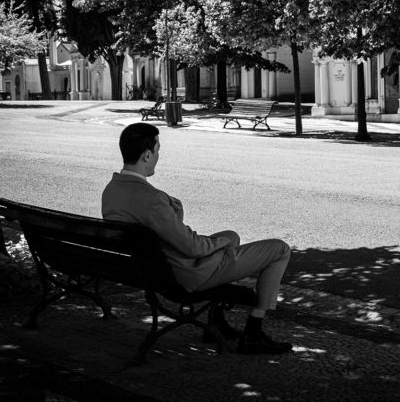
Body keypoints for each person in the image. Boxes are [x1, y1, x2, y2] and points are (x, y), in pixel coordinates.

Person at [102, 122, 292, 354]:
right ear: (147, 154)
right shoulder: (153, 200)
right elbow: (191, 247)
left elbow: (165, 234)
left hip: (154, 270)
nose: (159, 155)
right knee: (279, 249)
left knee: (232, 235)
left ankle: (215, 321)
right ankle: (254, 331)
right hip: (186, 274)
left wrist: (177, 215)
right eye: (158, 149)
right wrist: (220, 245)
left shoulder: (111, 190)